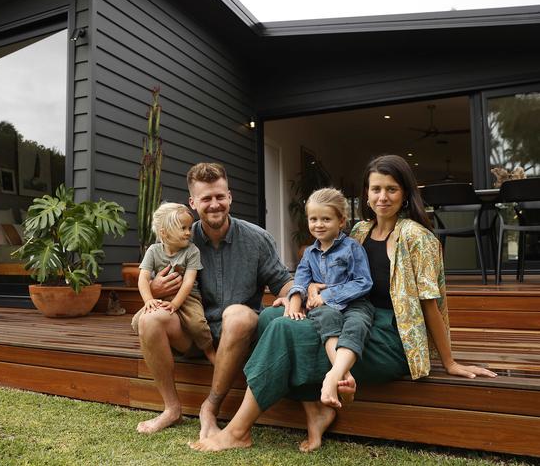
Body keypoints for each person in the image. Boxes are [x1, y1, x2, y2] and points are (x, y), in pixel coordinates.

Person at [190, 154, 497, 453]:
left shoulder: (418, 239)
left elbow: (432, 305)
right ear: (366, 193)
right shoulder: (361, 231)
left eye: (391, 189)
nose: (382, 197)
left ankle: (238, 431)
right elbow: (329, 268)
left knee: (286, 332)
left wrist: (450, 361)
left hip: (391, 337)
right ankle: (316, 411)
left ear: (405, 193)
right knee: (272, 318)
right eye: (376, 189)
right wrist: (305, 290)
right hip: (352, 317)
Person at [135, 162, 292, 435]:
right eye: (206, 198)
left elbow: (283, 283)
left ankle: (210, 407)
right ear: (193, 202)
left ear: (230, 196)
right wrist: (156, 289)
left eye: (220, 196)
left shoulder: (257, 239)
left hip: (240, 334)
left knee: (237, 314)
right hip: (194, 333)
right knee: (150, 321)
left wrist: (296, 295)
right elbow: (150, 284)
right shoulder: (178, 238)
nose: (214, 204)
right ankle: (172, 408)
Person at [285, 187, 373, 409]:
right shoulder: (308, 254)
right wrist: (295, 298)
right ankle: (344, 374)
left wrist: (327, 295)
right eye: (313, 219)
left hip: (355, 303)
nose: (318, 224)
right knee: (326, 319)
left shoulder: (352, 248)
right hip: (324, 308)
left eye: (326, 219)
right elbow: (301, 280)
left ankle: (332, 377)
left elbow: (363, 281)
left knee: (357, 324)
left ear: (341, 221)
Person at [132, 202, 216, 364]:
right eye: (183, 228)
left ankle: (209, 349)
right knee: (137, 321)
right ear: (164, 233)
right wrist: (149, 300)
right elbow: (143, 278)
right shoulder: (153, 251)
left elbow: (188, 282)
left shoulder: (192, 251)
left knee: (197, 324)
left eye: (189, 228)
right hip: (162, 297)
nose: (188, 233)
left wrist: (176, 304)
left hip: (188, 297)